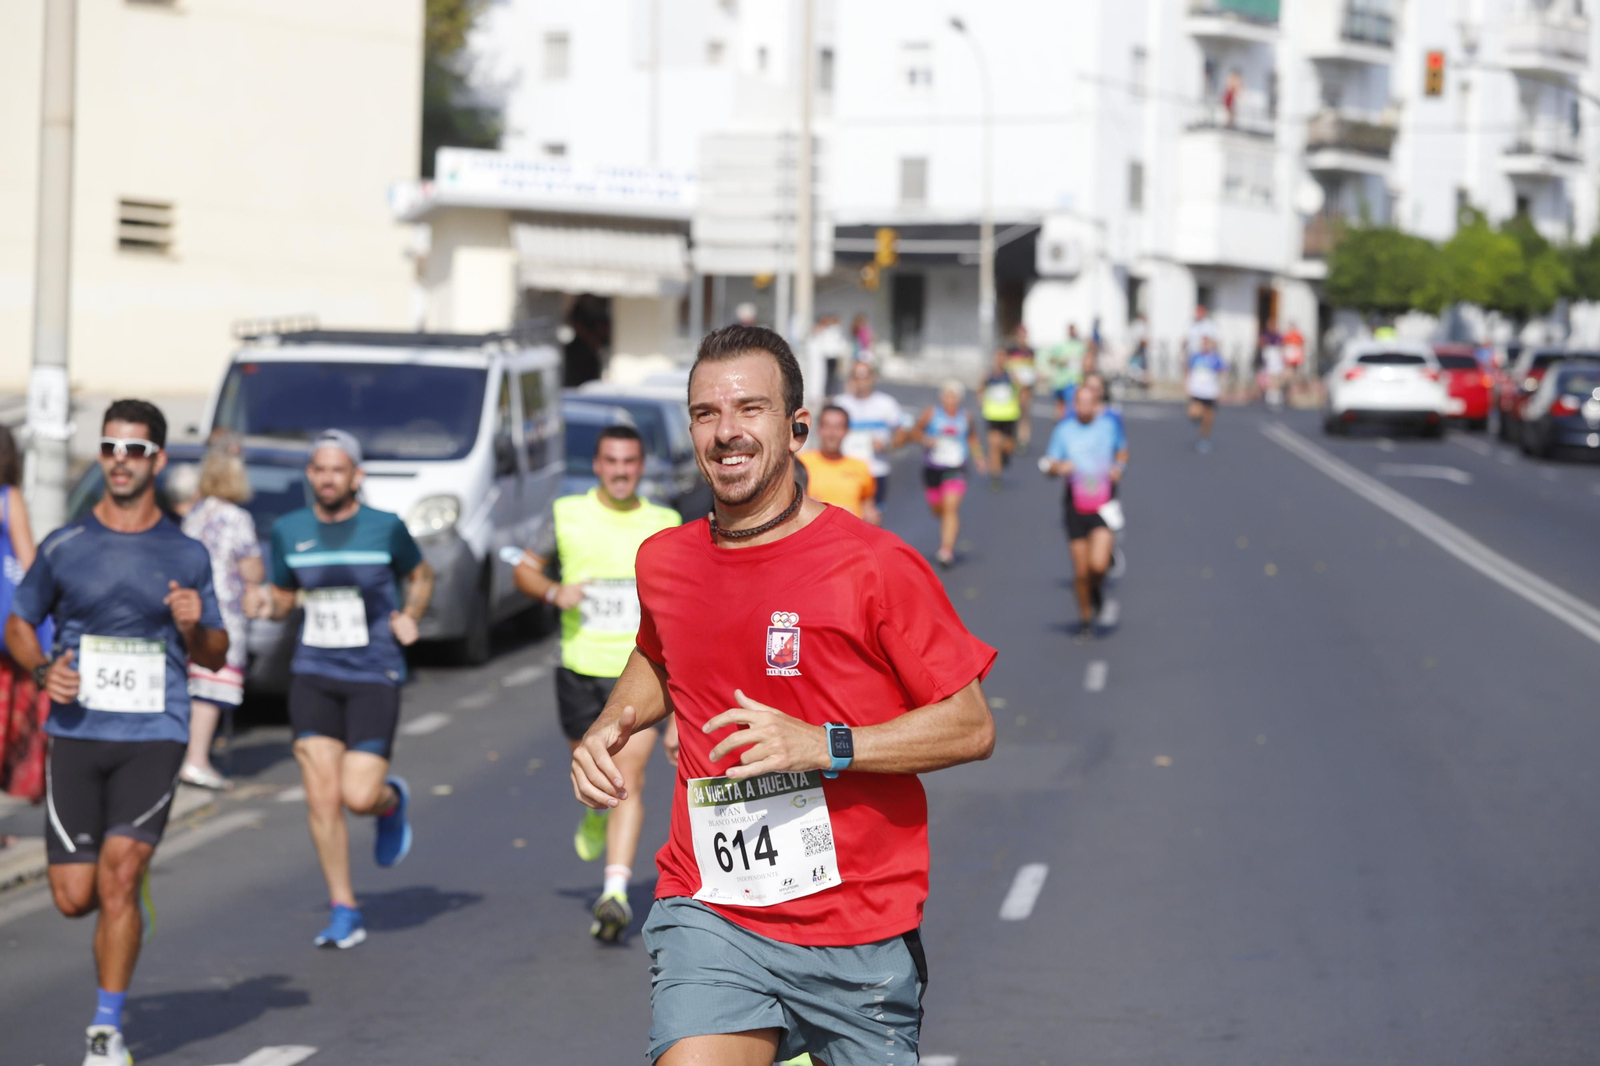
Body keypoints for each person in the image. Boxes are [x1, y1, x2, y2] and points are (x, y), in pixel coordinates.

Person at [570, 323, 998, 1066]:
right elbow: (659, 652)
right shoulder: (666, 559)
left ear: (796, 427)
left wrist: (824, 743)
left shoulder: (874, 565)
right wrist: (616, 718)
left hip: (856, 926)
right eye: (706, 413)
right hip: (713, 907)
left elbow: (969, 725)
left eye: (749, 409)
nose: (726, 432)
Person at [4, 400, 228, 1066]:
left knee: (118, 878)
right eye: (110, 448)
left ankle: (106, 1029)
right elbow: (19, 625)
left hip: (154, 732)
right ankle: (121, 894)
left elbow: (216, 653)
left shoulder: (185, 551)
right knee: (75, 899)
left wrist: (193, 625)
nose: (120, 461)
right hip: (75, 731)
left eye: (134, 450)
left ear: (157, 459)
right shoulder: (65, 545)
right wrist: (44, 669)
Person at [251, 429, 433, 950]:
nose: (327, 478)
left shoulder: (385, 528)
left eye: (337, 469)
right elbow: (286, 598)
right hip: (313, 674)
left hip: (373, 672)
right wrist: (265, 604)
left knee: (357, 796)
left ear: (357, 476)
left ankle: (388, 801)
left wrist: (412, 614)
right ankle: (343, 908)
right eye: (319, 469)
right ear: (309, 475)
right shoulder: (289, 531)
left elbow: (421, 574)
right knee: (321, 797)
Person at [508, 423, 681, 943]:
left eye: (631, 462)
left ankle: (615, 891)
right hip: (579, 669)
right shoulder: (567, 514)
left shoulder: (665, 521)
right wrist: (554, 592)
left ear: (641, 466)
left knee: (628, 776)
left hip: (642, 673)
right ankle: (594, 818)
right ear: (598, 466)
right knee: (592, 775)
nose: (622, 471)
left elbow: (677, 606)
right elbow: (525, 569)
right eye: (612, 461)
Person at [177, 447, 264, 790]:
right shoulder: (236, 518)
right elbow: (250, 566)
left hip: (189, 607)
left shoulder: (194, 514)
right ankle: (196, 760)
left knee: (193, 684)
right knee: (212, 687)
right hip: (224, 610)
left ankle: (188, 755)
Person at [1043, 385, 1129, 642]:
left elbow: (1122, 451)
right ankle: (1085, 619)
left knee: (1098, 565)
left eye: (1089, 402)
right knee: (1081, 573)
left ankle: (1097, 589)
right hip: (1075, 504)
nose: (1084, 407)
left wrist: (1119, 467)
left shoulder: (1108, 427)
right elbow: (1048, 465)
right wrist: (1058, 468)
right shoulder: (1063, 430)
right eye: (1079, 402)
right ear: (1074, 405)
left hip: (1103, 503)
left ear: (1096, 404)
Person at [914, 382, 986, 567]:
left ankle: (946, 550)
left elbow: (972, 437)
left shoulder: (966, 417)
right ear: (941, 397)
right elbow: (915, 431)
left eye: (954, 396)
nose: (950, 400)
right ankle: (947, 527)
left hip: (956, 468)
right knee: (938, 509)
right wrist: (925, 439)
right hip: (933, 468)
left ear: (960, 398)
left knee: (951, 507)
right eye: (947, 395)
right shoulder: (932, 413)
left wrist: (978, 457)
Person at [830, 361, 907, 508]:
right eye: (856, 376)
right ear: (851, 379)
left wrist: (887, 445)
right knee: (846, 517)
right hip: (845, 470)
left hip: (876, 470)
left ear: (873, 378)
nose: (861, 381)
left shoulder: (887, 404)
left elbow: (903, 434)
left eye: (865, 376)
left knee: (872, 520)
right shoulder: (839, 403)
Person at [797, 406, 879, 523]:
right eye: (827, 426)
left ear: (847, 431)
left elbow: (868, 507)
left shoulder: (860, 466)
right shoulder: (801, 462)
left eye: (838, 427)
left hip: (850, 536)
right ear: (819, 429)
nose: (832, 433)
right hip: (813, 536)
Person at [979, 349, 1022, 488]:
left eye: (1003, 357)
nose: (1000, 360)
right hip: (993, 415)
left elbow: (1020, 391)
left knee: (1008, 446)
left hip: (1009, 415)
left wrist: (1018, 402)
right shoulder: (988, 376)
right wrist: (982, 403)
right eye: (998, 357)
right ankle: (995, 477)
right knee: (993, 444)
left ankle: (1005, 455)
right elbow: (980, 390)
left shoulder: (1011, 376)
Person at [1186, 334, 1225, 452]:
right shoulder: (1195, 357)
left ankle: (1204, 438)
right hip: (1197, 390)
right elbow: (1188, 371)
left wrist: (1222, 389)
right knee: (1194, 413)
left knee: (1209, 417)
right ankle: (1199, 419)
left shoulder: (1216, 358)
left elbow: (1222, 372)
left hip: (1210, 392)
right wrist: (1186, 386)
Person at [1003, 326, 1039, 450]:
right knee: (1012, 414)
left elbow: (1033, 369)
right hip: (1013, 388)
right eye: (1020, 336)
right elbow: (1006, 366)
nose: (1022, 339)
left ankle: (1023, 440)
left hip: (1026, 388)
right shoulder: (1011, 350)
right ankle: (1010, 438)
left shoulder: (1030, 351)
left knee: (1025, 414)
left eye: (1024, 336)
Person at [1043, 323, 1086, 411]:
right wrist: (1060, 361)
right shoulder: (1061, 345)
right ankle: (1060, 424)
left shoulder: (1081, 346)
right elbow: (1050, 360)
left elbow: (1085, 362)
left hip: (1072, 381)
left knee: (1070, 406)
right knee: (1059, 408)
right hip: (1059, 381)